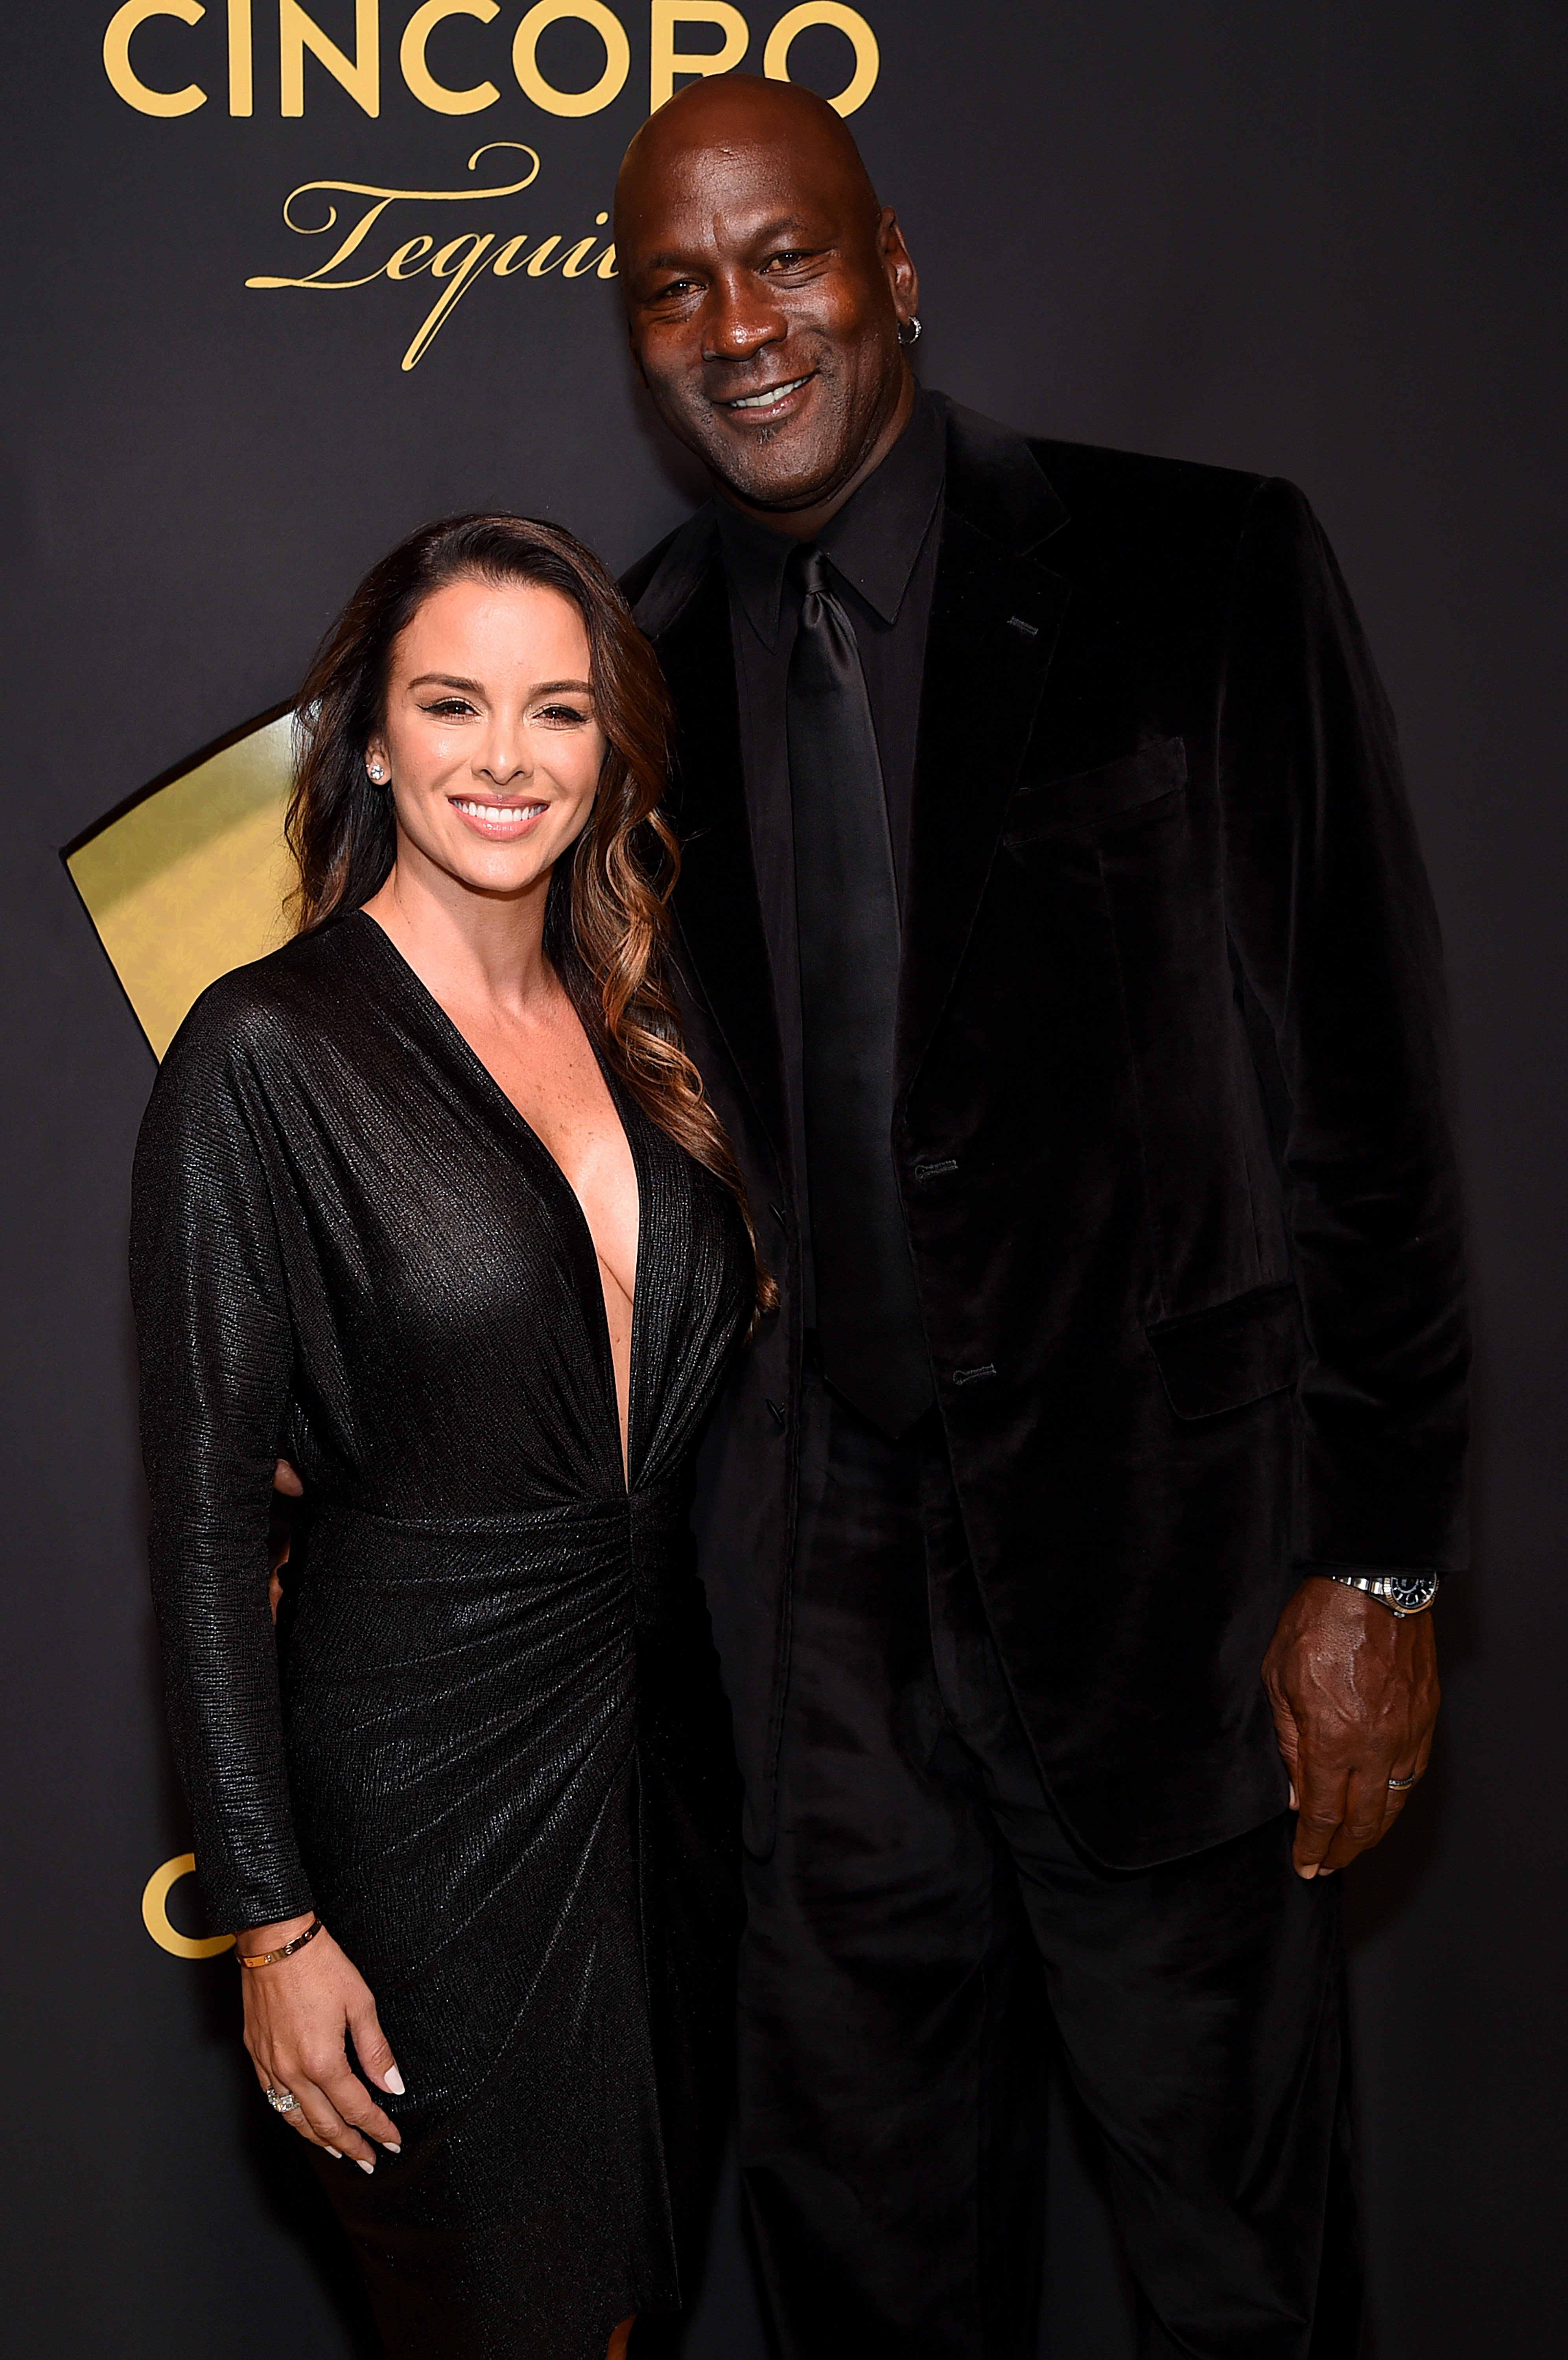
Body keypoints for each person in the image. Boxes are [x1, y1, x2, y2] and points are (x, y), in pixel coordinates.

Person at [608, 75, 1467, 2359]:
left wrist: (1375, 1567)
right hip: (814, 1637)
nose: (739, 321)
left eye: (782, 254)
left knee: (1236, 2283)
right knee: (863, 2280)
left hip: (1173, 1597)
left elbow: (1371, 1100)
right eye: (676, 283)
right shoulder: (628, 670)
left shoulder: (1204, 567)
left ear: (892, 264)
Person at [131, 514, 763, 2360]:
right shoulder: (262, 1055)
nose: (506, 756)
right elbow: (194, 1527)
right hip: (426, 1800)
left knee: (630, 2304)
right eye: (453, 704)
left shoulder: (655, 1032)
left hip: (671, 1788)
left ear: (608, 749)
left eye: (557, 711)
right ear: (375, 740)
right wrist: (270, 1922)